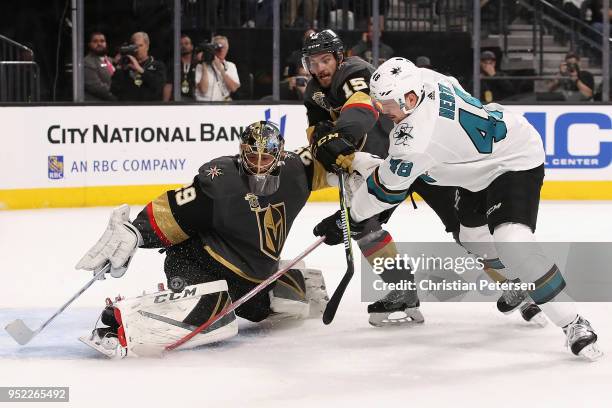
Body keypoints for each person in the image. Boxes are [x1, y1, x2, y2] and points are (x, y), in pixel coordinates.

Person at [342, 57, 602, 360]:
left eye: (387, 104)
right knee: (472, 237)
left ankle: (573, 322)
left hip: (513, 160)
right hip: (478, 168)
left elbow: (383, 190)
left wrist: (351, 217)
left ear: (410, 98)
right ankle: (518, 283)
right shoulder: (425, 76)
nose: (381, 111)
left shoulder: (412, 139)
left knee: (512, 242)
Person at [301, 30, 542, 327]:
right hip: (385, 168)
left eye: (325, 59)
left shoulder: (355, 72)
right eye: (313, 62)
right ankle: (402, 290)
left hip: (424, 161)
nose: (320, 68)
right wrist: (322, 141)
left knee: (465, 230)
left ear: (339, 57)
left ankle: (515, 284)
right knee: (365, 227)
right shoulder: (313, 90)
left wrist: (341, 135)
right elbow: (315, 130)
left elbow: (363, 110)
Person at [76, 121, 330, 358]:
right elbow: (177, 209)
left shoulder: (297, 169)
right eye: (253, 157)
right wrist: (137, 232)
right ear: (242, 152)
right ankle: (146, 315)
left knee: (259, 310)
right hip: (201, 259)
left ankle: (289, 280)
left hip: (252, 275)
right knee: (210, 308)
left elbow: (331, 157)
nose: (259, 165)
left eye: (266, 158)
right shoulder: (222, 179)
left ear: (280, 155)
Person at [110, 32, 166, 102]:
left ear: (147, 46)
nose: (137, 49)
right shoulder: (125, 65)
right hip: (128, 107)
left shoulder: (157, 65)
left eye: (140, 45)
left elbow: (158, 86)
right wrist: (119, 68)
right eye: (135, 46)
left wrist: (140, 70)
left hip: (150, 107)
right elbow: (114, 90)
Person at [195, 35, 240, 101]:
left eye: (223, 47)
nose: (221, 50)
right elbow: (203, 90)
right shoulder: (200, 66)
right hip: (204, 105)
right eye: (218, 48)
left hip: (222, 104)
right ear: (212, 49)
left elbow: (234, 88)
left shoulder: (231, 66)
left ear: (227, 49)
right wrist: (204, 63)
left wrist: (221, 69)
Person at [163, 34, 200, 102]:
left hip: (195, 100)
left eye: (186, 43)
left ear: (192, 46)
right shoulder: (173, 63)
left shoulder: (197, 63)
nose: (184, 46)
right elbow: (168, 84)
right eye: (181, 44)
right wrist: (165, 104)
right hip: (177, 100)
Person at [83, 32, 116, 101]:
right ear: (89, 44)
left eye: (102, 41)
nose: (99, 44)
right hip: (97, 105)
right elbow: (96, 88)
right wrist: (120, 96)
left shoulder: (108, 59)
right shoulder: (87, 62)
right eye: (95, 41)